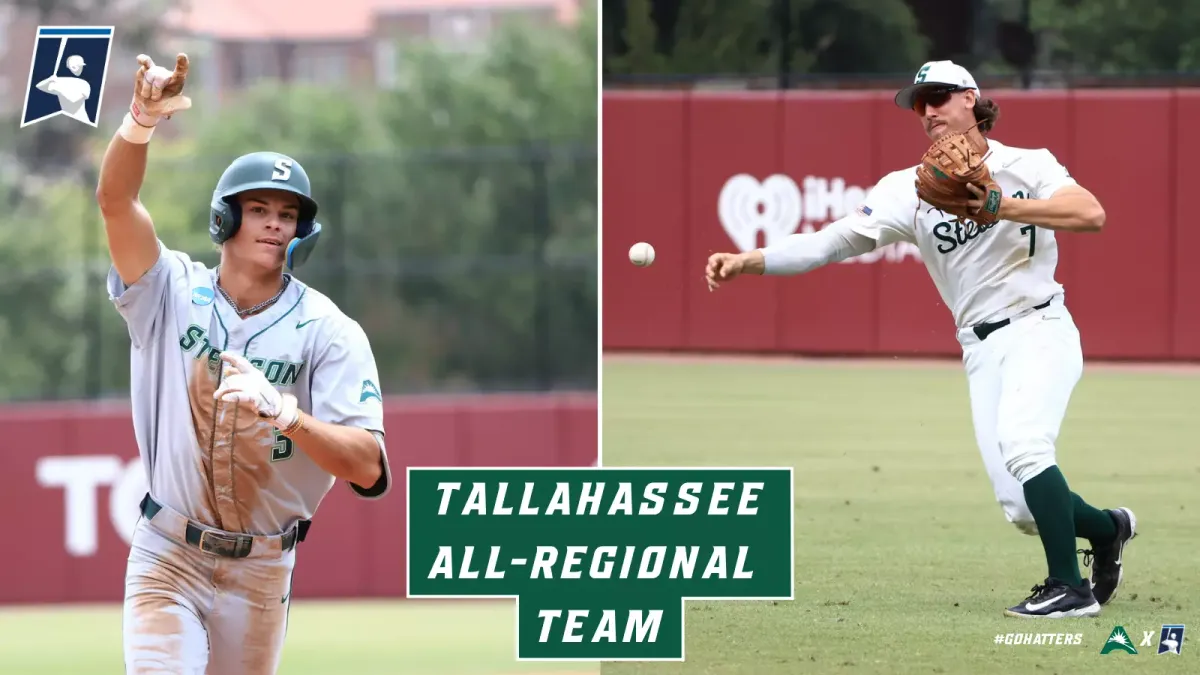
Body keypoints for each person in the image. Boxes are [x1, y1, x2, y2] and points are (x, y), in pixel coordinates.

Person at [703, 60, 1136, 619]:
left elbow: (1091, 213)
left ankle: (1068, 588)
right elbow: (828, 243)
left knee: (1028, 446)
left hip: (1039, 326)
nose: (927, 110)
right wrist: (750, 260)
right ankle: (1108, 530)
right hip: (980, 349)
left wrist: (1001, 205)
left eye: (938, 97)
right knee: (1021, 507)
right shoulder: (907, 190)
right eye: (918, 102)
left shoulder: (1027, 164)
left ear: (971, 100)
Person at [96, 53, 392, 672]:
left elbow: (367, 466)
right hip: (166, 552)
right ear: (225, 217)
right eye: (259, 209)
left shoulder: (328, 330)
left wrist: (288, 415)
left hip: (262, 569)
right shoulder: (169, 290)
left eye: (288, 215)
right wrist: (140, 121)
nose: (275, 225)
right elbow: (115, 203)